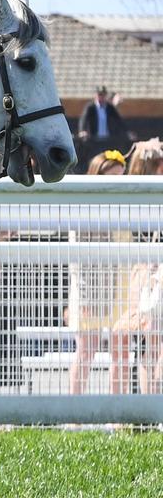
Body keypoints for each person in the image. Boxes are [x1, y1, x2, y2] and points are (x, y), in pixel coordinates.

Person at [68, 149, 131, 394]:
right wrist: (84, 297)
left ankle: (118, 416)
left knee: (122, 352)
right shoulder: (85, 208)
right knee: (86, 350)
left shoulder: (126, 205)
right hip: (91, 290)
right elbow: (79, 260)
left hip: (122, 289)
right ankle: (74, 417)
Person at [110, 138, 163, 393]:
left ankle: (152, 405)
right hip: (149, 278)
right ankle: (149, 405)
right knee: (148, 342)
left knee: (152, 343)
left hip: (151, 275)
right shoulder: (137, 198)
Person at [77, 86, 133, 171]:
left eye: (103, 95)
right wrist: (82, 130)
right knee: (95, 160)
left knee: (108, 161)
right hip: (95, 140)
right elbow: (83, 119)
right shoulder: (91, 107)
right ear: (96, 95)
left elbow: (119, 121)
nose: (101, 97)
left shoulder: (110, 108)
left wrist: (128, 132)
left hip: (108, 140)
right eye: (99, 95)